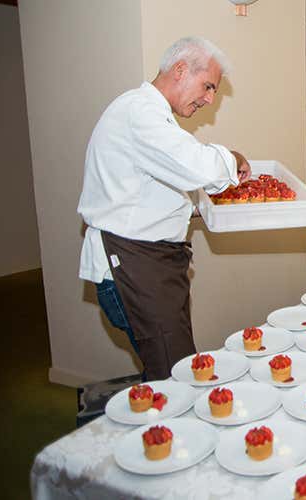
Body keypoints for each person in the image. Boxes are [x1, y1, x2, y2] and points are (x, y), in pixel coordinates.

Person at [77, 37, 251, 379]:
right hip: (133, 264)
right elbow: (195, 165)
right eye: (208, 86)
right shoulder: (139, 111)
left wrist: (197, 211)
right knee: (176, 377)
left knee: (170, 370)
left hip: (149, 263)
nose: (209, 99)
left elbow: (143, 194)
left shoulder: (149, 114)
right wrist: (233, 158)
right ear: (181, 70)